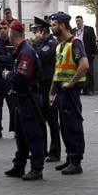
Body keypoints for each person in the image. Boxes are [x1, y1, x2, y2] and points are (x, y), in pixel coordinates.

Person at [2, 20, 47, 181]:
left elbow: (22, 76)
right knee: (21, 135)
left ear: (12, 36)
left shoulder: (26, 52)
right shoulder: (22, 50)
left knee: (33, 134)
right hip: (22, 98)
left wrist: (8, 75)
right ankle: (19, 165)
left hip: (29, 98)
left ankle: (37, 168)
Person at [49, 12, 89, 175]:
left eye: (54, 24)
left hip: (70, 91)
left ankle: (76, 160)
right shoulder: (60, 46)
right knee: (65, 126)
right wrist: (52, 91)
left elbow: (84, 65)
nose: (52, 27)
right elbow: (58, 70)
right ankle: (69, 158)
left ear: (63, 25)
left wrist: (71, 82)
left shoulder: (75, 43)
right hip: (61, 92)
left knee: (73, 125)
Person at [31, 16, 62, 161]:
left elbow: (39, 57)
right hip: (40, 85)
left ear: (43, 31)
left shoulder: (52, 43)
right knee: (40, 119)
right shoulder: (41, 43)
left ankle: (55, 152)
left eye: (36, 31)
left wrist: (36, 44)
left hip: (50, 86)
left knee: (52, 119)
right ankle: (41, 150)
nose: (35, 34)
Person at [74, 15, 98, 95]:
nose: (78, 22)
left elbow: (93, 41)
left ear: (82, 21)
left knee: (89, 72)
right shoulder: (73, 31)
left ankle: (91, 89)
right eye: (77, 21)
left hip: (88, 54)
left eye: (79, 20)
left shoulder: (89, 29)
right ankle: (83, 89)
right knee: (80, 73)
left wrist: (94, 53)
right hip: (77, 56)